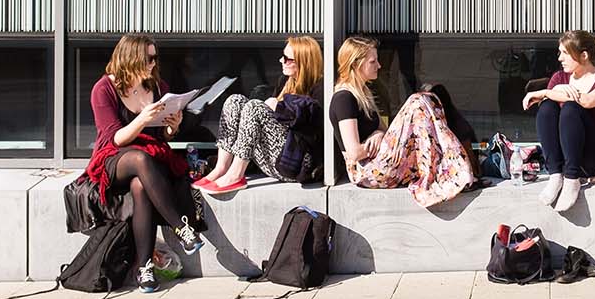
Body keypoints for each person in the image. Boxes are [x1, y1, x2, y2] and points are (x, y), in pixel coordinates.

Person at [85, 34, 204, 293]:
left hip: (150, 158)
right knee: (139, 159)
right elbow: (114, 138)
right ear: (131, 58)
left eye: (155, 57)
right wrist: (141, 119)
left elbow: (162, 136)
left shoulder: (157, 86)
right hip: (115, 158)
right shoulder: (104, 89)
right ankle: (181, 227)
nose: (152, 63)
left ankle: (145, 268)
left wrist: (173, 127)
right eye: (148, 58)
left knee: (140, 186)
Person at [330, 36, 473, 208]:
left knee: (430, 97)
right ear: (356, 64)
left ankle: (448, 167)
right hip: (366, 171)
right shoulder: (344, 98)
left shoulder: (363, 93)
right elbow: (354, 152)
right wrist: (378, 141)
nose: (379, 66)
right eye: (373, 62)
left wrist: (378, 134)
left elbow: (385, 132)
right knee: (416, 101)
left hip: (379, 162)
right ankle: (451, 168)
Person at [196, 36, 325, 193]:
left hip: (295, 163)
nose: (280, 60)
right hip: (270, 157)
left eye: (286, 58)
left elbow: (314, 133)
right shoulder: (285, 81)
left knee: (255, 106)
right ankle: (222, 168)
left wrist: (279, 109)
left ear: (303, 62)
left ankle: (236, 174)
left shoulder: (320, 89)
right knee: (234, 101)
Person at [523, 30, 595, 211]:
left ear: (583, 55)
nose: (560, 58)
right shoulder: (559, 78)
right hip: (568, 155)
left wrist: (544, 92)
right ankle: (555, 175)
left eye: (565, 53)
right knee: (547, 107)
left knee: (571, 108)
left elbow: (588, 101)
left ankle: (571, 179)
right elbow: (548, 114)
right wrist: (555, 90)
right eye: (560, 52)